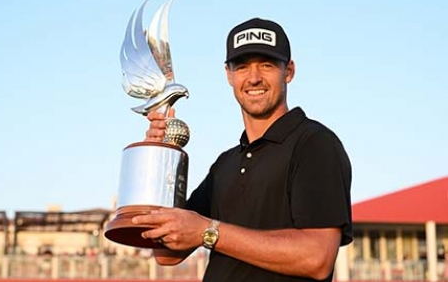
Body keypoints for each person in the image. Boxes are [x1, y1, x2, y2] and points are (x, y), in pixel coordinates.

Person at [132, 18, 353, 282]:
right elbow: (167, 255)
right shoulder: (225, 164)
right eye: (242, 66)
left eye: (267, 65)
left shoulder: (314, 144)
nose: (254, 78)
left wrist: (208, 231)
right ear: (229, 74)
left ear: (289, 71)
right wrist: (159, 157)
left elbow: (317, 258)